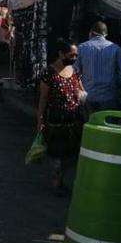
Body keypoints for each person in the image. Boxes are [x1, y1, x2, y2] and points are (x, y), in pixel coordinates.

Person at [37, 39, 86, 196]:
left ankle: (61, 177)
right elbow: (43, 98)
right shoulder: (49, 72)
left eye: (76, 56)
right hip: (56, 119)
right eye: (71, 55)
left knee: (72, 152)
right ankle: (57, 180)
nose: (74, 58)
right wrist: (40, 118)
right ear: (61, 54)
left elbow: (81, 90)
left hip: (74, 119)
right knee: (57, 152)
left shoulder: (75, 71)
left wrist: (82, 96)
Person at [75, 21, 121, 113]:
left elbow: (75, 72)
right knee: (107, 126)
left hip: (88, 96)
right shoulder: (115, 48)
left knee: (89, 124)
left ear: (91, 33)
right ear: (105, 34)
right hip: (109, 96)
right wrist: (115, 83)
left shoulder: (81, 48)